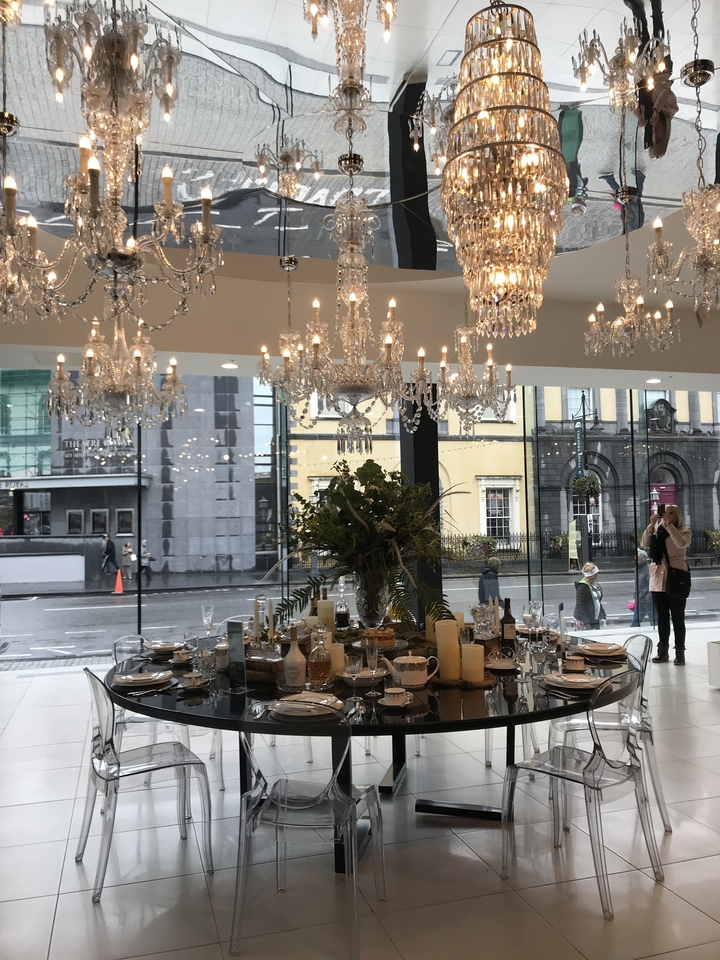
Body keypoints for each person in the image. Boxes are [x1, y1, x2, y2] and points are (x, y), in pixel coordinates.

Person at [641, 504, 691, 665]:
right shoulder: (657, 529)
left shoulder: (684, 532)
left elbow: (680, 543)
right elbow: (645, 544)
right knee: (662, 617)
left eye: (671, 513)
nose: (667, 516)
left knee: (677, 617)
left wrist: (669, 525)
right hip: (657, 576)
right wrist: (651, 525)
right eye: (665, 513)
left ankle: (680, 651)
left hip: (676, 576)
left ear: (677, 516)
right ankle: (662, 650)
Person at [573, 562, 606, 630]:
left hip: (595, 618)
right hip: (585, 621)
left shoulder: (595, 584)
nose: (598, 575)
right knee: (585, 640)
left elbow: (597, 600)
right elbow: (580, 605)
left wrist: (602, 612)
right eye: (596, 573)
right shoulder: (582, 587)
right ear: (592, 576)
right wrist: (586, 621)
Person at [631, 548, 653, 627]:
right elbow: (637, 584)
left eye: (638, 555)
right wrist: (635, 596)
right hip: (640, 599)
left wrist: (648, 597)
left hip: (647, 600)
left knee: (653, 620)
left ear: (644, 558)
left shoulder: (648, 569)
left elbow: (651, 584)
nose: (636, 557)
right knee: (635, 621)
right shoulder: (637, 568)